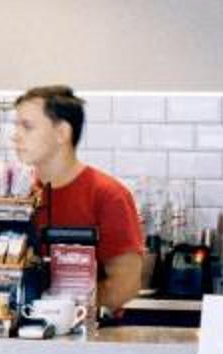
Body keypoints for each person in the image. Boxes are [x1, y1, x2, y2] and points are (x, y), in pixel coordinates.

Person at [9, 84, 146, 317]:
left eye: (27, 127)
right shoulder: (17, 194)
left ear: (62, 133)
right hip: (21, 328)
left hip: (88, 332)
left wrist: (61, 309)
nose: (15, 136)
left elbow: (126, 284)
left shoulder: (108, 195)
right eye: (16, 126)